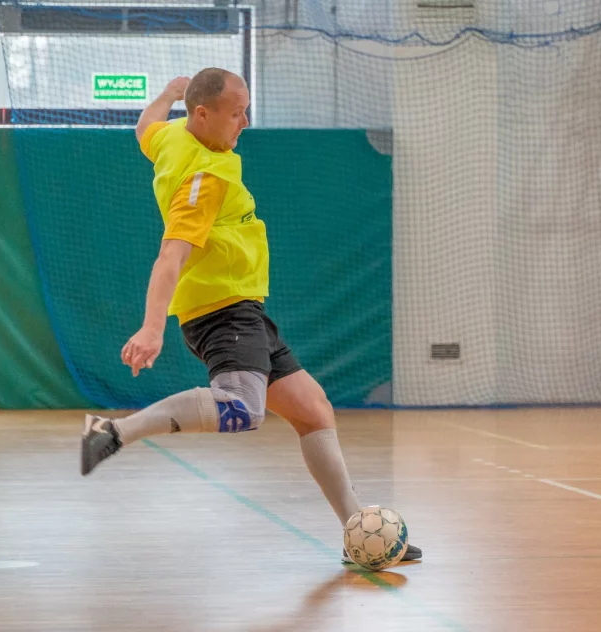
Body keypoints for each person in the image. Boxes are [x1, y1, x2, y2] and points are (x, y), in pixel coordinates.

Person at [80, 68, 421, 564]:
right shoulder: (203, 179)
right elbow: (170, 257)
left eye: (247, 110)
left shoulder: (173, 135)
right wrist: (152, 328)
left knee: (313, 411)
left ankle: (357, 536)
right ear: (204, 114)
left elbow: (144, 128)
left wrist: (168, 95)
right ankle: (112, 432)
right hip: (222, 311)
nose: (245, 122)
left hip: (243, 308)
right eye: (236, 113)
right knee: (242, 409)